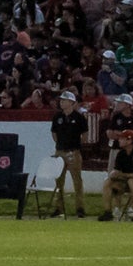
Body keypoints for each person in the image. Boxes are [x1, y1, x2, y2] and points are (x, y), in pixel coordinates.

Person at [98, 127, 133, 221]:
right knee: (108, 182)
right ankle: (107, 212)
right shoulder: (121, 154)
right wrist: (115, 175)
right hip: (125, 181)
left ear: (129, 140)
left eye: (122, 138)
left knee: (132, 182)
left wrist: (123, 175)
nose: (119, 140)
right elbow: (117, 171)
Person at [50, 89, 87, 218]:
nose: (61, 102)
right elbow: (54, 133)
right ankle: (58, 207)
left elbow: (84, 135)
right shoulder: (57, 117)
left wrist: (75, 145)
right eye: (61, 100)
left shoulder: (79, 117)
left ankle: (80, 208)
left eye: (64, 100)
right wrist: (60, 144)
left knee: (77, 180)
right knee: (59, 181)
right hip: (60, 151)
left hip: (73, 151)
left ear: (71, 103)